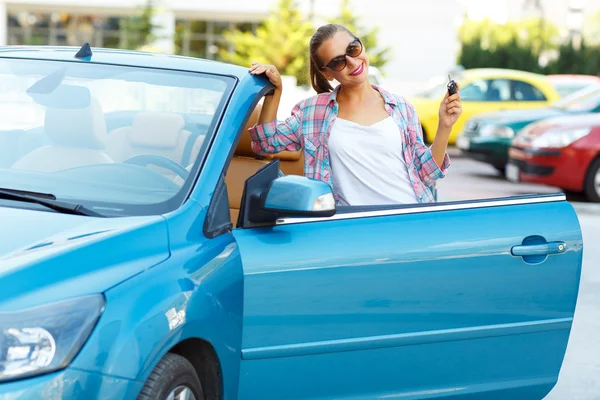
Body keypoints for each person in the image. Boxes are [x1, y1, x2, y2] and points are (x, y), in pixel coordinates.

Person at [247, 24, 462, 206]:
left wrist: (445, 126)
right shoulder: (312, 112)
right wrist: (274, 93)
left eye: (353, 48)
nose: (352, 61)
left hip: (409, 219)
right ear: (326, 73)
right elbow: (265, 143)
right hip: (350, 231)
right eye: (337, 61)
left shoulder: (402, 107)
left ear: (362, 46)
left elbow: (427, 174)